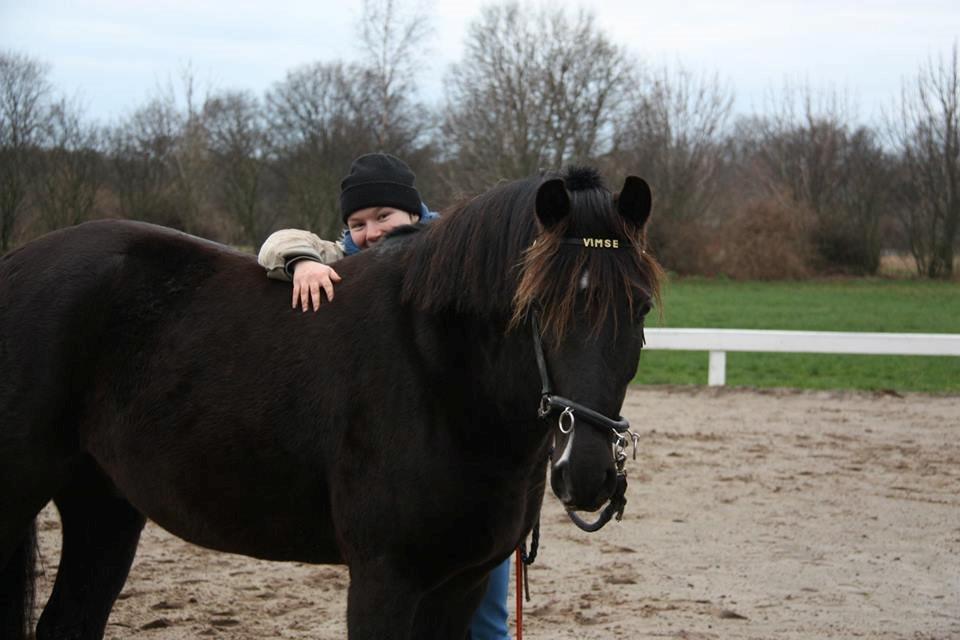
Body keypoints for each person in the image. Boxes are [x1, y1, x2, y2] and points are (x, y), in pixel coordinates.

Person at [257, 153, 512, 639]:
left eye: (383, 217)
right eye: (358, 222)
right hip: (418, 465)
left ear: (414, 212)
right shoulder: (352, 255)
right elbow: (277, 242)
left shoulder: (460, 254)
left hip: (480, 465)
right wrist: (303, 261)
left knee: (485, 619)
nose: (371, 232)